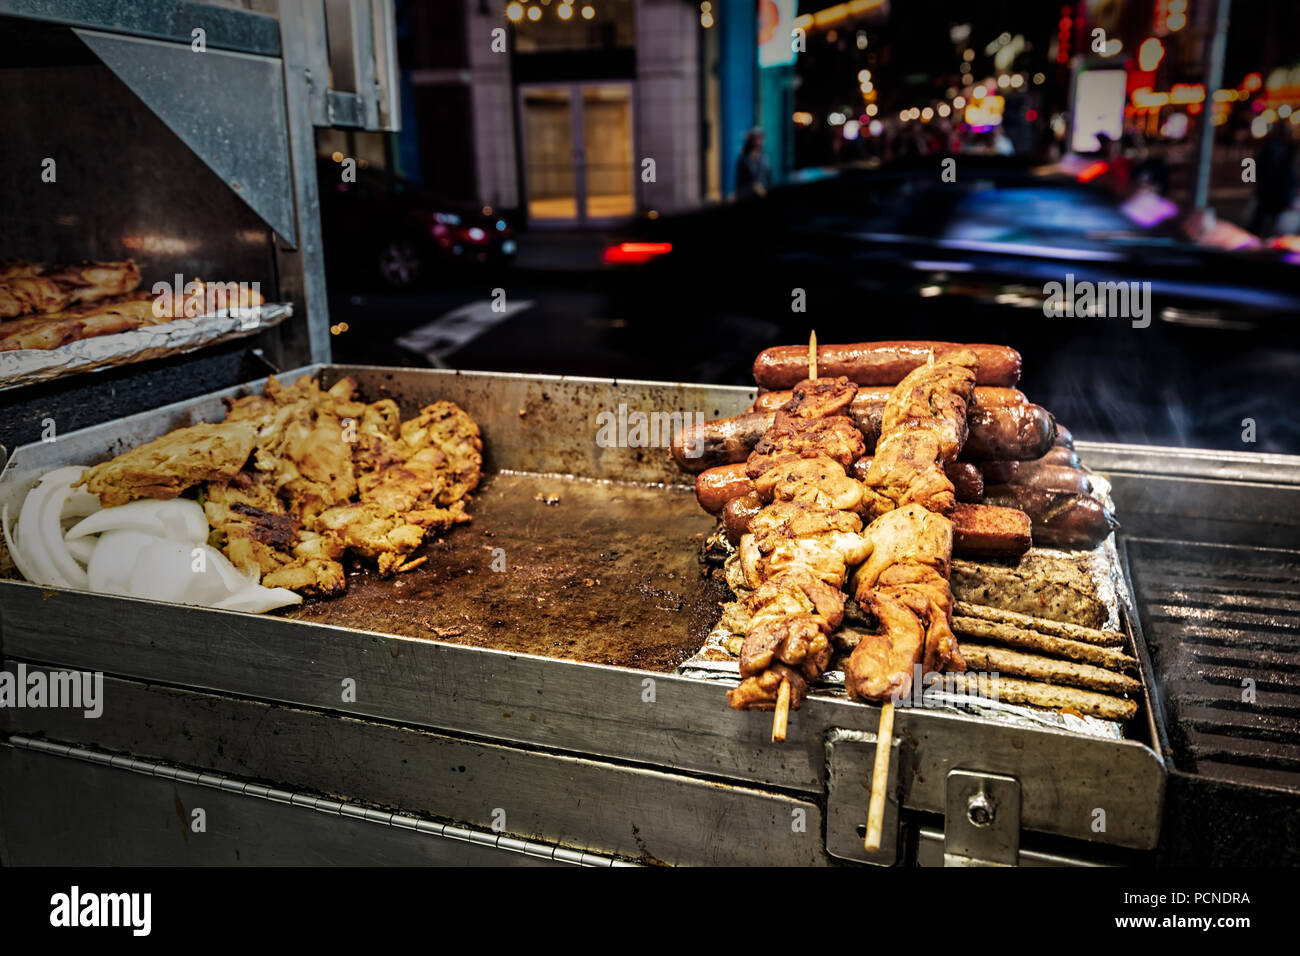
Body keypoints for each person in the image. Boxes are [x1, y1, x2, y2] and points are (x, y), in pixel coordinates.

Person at [1250, 123, 1296, 238]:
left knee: (1264, 217)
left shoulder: (1277, 147)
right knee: (1266, 217)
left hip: (1271, 190)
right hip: (1274, 190)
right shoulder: (1279, 148)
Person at [735, 128, 772, 199]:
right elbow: (739, 183)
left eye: (761, 138)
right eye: (756, 139)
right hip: (748, 196)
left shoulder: (765, 157)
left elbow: (769, 178)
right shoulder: (744, 159)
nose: (759, 141)